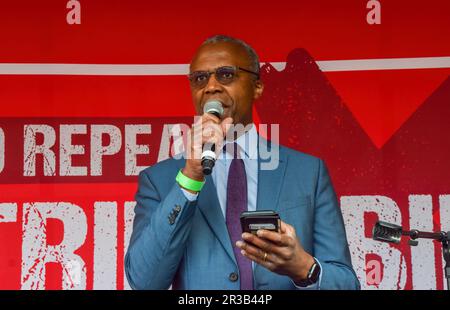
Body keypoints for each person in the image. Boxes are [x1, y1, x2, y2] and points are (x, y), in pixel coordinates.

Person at [125, 34, 360, 290]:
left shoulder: (308, 172)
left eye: (226, 74)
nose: (211, 86)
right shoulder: (159, 180)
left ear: (257, 86)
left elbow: (346, 283)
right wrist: (190, 178)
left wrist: (304, 268)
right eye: (200, 78)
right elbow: (143, 281)